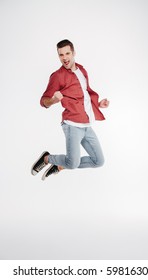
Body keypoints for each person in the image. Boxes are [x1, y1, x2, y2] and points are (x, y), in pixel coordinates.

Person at [31, 39, 109, 180]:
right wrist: (54, 100)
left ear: (74, 53)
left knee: (99, 161)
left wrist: (98, 104)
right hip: (72, 124)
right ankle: (47, 159)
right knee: (73, 163)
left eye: (67, 53)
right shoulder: (57, 76)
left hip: (86, 124)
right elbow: (43, 102)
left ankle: (60, 165)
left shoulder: (82, 71)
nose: (65, 58)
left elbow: (84, 95)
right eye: (61, 55)